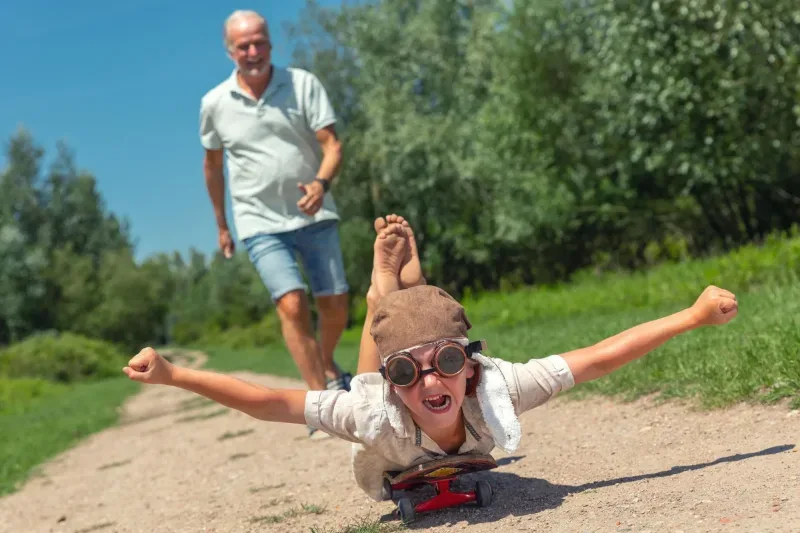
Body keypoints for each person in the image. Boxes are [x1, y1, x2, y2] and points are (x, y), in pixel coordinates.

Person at [122, 215, 739, 501]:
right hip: (380, 427)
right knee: (370, 368)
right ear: (400, 387)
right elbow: (274, 402)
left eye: (448, 361)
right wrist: (175, 375)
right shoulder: (377, 407)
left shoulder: (498, 385)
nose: (430, 381)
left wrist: (691, 315)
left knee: (403, 337)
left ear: (471, 364)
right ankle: (381, 292)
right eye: (409, 375)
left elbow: (599, 358)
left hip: (406, 397)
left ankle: (395, 294)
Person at [198, 9, 351, 438]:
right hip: (258, 219)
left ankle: (325, 358)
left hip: (314, 211)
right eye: (243, 45)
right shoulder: (214, 104)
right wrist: (221, 224)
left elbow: (332, 144)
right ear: (230, 52)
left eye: (259, 42)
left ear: (270, 43)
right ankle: (320, 404)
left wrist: (321, 182)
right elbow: (212, 167)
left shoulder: (302, 84)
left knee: (336, 303)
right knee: (291, 303)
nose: (253, 51)